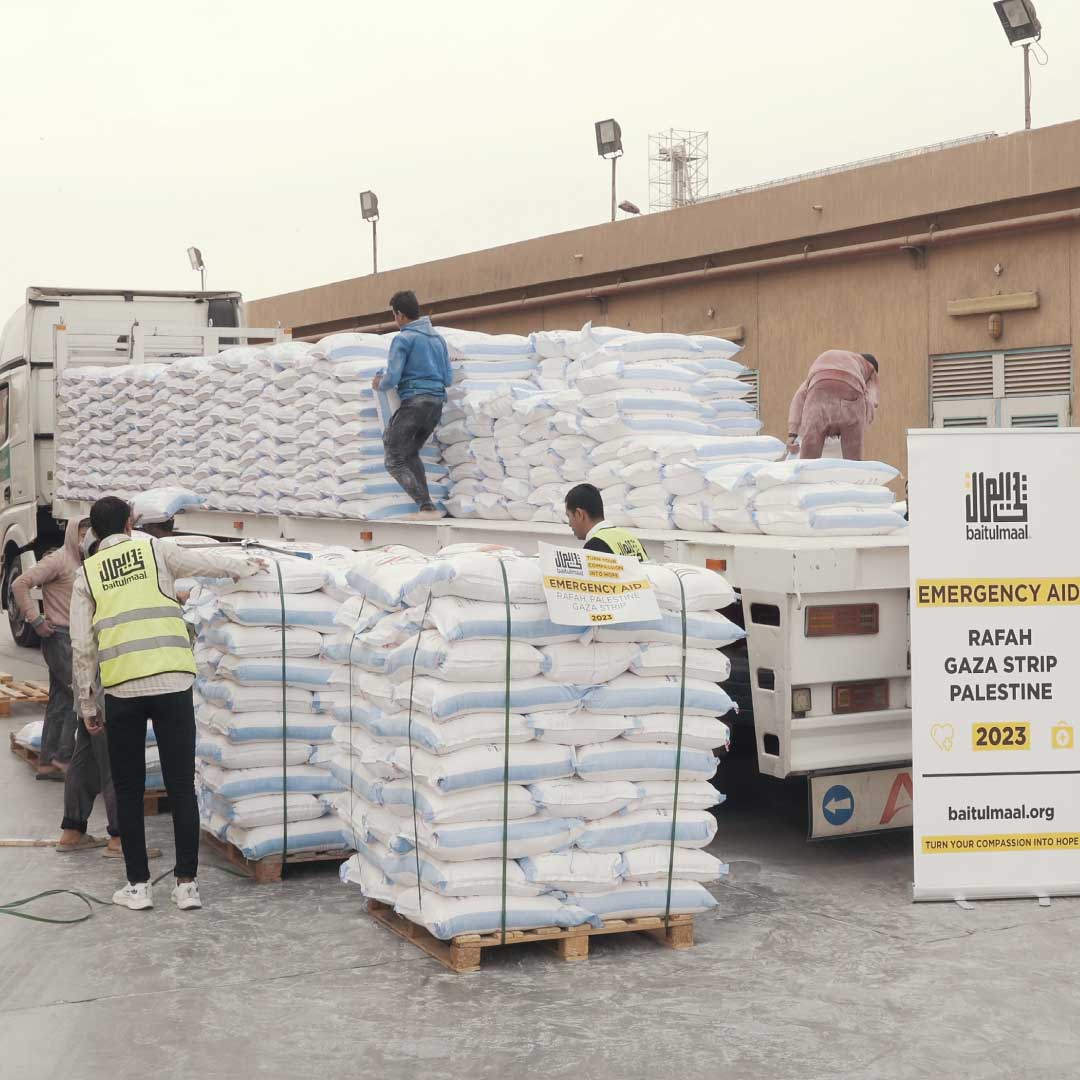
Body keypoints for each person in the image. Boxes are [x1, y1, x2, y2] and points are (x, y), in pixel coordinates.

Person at [71, 496, 264, 912]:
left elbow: (82, 646)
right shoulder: (156, 551)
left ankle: (138, 886)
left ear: (95, 532)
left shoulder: (87, 574)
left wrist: (87, 703)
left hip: (122, 690)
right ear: (129, 524)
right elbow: (206, 562)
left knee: (128, 789)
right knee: (180, 786)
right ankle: (186, 885)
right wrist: (247, 566)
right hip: (172, 682)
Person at [11, 518, 87, 780]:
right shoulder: (59, 560)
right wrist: (35, 620)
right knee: (78, 696)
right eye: (82, 534)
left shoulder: (81, 561)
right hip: (60, 638)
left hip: (71, 637)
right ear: (72, 534)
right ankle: (62, 758)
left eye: (89, 534)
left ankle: (47, 761)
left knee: (60, 699)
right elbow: (19, 584)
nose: (86, 539)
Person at [372, 290, 453, 521]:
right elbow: (448, 379)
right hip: (436, 405)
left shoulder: (403, 339)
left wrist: (379, 383)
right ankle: (427, 508)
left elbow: (392, 378)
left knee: (393, 457)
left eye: (393, 315)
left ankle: (425, 506)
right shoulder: (438, 340)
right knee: (409, 453)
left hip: (414, 404)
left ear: (399, 314)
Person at [787, 350, 880, 461]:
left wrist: (793, 433)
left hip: (818, 386)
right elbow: (870, 401)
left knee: (809, 458)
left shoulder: (846, 360)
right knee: (852, 459)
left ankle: (807, 467)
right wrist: (860, 427)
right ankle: (853, 469)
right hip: (851, 388)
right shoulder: (871, 371)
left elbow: (799, 397)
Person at [565, 484, 648, 562]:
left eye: (569, 516)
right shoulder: (630, 538)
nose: (569, 524)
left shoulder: (594, 546)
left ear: (579, 514)